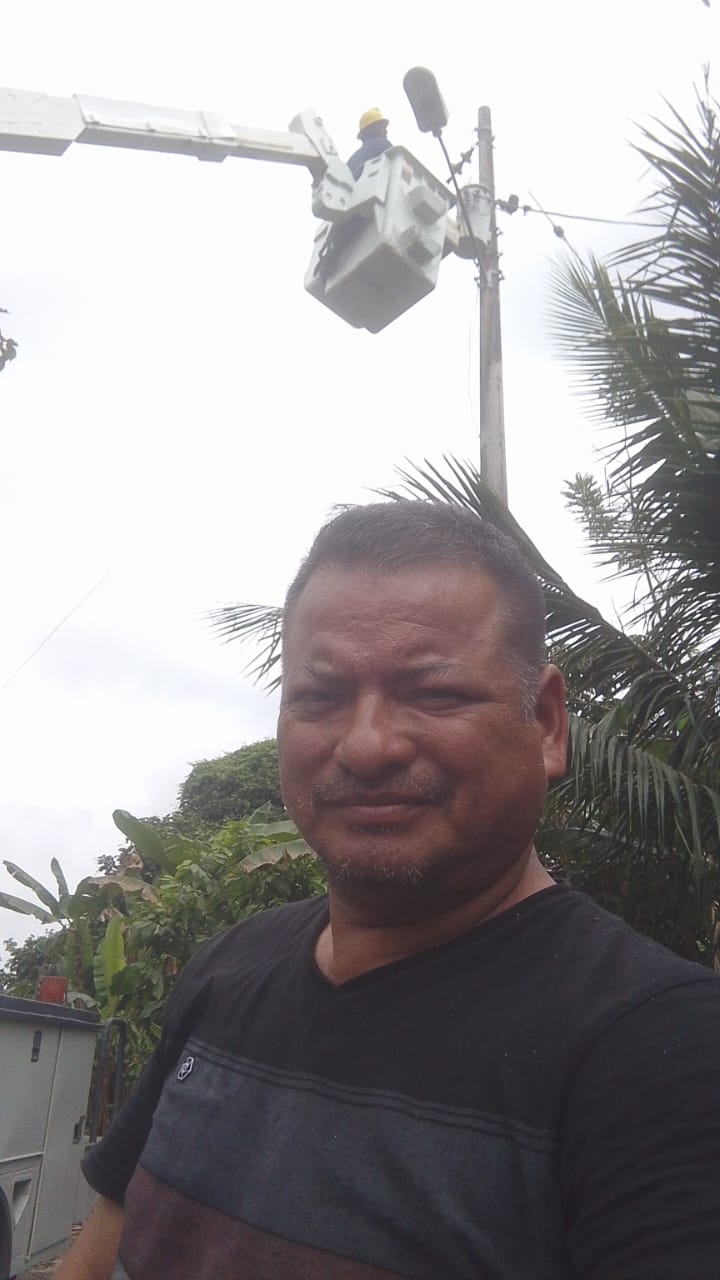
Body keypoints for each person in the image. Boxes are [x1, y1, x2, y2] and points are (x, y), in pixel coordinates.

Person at [58, 500, 720, 1280]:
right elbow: (104, 1245)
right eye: (319, 697)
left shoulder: (661, 1053)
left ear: (546, 723)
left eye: (434, 693)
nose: (367, 746)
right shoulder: (226, 970)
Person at [346, 107, 392, 179]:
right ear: (371, 130)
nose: (386, 131)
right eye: (382, 127)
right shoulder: (383, 144)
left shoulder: (351, 161)